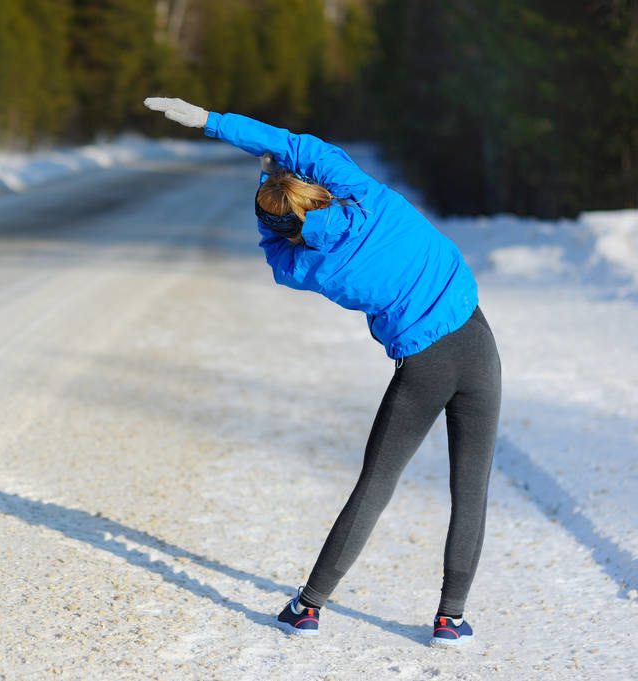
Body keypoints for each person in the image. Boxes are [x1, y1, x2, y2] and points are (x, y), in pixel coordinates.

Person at [144, 97, 501, 647]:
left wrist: (267, 207)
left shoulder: (303, 265)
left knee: (376, 484)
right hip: (479, 346)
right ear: (319, 188)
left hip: (422, 366)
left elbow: (274, 247)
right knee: (470, 489)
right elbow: (292, 144)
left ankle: (307, 608)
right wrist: (216, 123)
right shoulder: (367, 196)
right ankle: (450, 620)